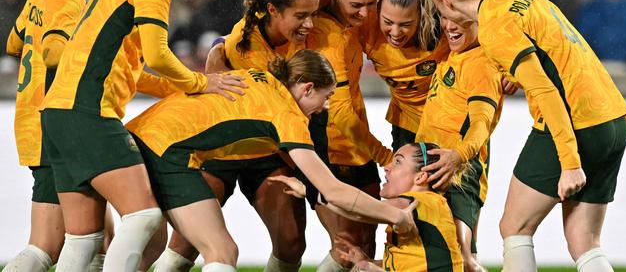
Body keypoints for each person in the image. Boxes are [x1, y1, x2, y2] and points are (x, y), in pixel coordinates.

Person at [39, 0, 246, 271]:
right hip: (87, 111)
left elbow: (128, 69)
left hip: (58, 112)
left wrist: (178, 90)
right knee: (146, 217)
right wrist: (201, 83)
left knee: (84, 240)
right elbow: (158, 55)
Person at [426, 0, 626, 272]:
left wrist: (570, 164)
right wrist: (624, 117)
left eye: (438, 9)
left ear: (445, 1)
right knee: (584, 240)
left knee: (514, 228)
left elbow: (545, 90)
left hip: (574, 126)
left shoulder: (493, 29)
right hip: (609, 121)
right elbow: (573, 47)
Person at [125, 50, 419, 272]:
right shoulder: (287, 117)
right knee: (220, 250)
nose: (325, 107)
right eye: (326, 96)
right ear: (306, 88)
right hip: (165, 149)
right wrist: (396, 216)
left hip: (138, 137)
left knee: (147, 243)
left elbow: (220, 50)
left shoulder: (261, 77)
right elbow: (334, 191)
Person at [160, 0, 321, 272]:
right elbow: (225, 47)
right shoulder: (241, 45)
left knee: (291, 242)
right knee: (186, 243)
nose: (310, 23)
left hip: (269, 153)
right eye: (301, 16)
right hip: (225, 148)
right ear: (273, 9)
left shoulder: (307, 11)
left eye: (312, 13)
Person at [4, 0, 115, 271]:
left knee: (101, 236)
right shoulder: (69, 1)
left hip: (36, 123)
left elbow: (14, 42)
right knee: (46, 247)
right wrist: (94, 50)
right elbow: (53, 51)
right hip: (53, 130)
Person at [309, 0, 394, 271]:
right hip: (325, 149)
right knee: (347, 248)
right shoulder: (324, 34)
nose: (365, 12)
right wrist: (386, 157)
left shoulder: (347, 14)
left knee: (368, 245)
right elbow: (339, 115)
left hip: (356, 149)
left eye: (371, 3)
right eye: (356, 5)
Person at [273, 142, 463, 272]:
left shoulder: (418, 201)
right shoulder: (430, 206)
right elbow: (416, 265)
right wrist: (370, 263)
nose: (387, 167)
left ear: (421, 177)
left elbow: (357, 210)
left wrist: (311, 191)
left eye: (398, 162)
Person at [416, 16, 505, 272]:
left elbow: (480, 124)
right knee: (444, 258)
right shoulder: (451, 52)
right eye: (445, 18)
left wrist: (458, 156)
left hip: (460, 170)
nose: (449, 26)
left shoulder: (481, 64)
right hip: (436, 165)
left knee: (462, 258)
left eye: (460, 20)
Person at [359, 0, 446, 151]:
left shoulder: (444, 30)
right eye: (388, 22)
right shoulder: (366, 28)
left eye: (406, 24)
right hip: (405, 126)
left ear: (422, 15)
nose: (395, 32)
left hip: (449, 126)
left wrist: (506, 72)